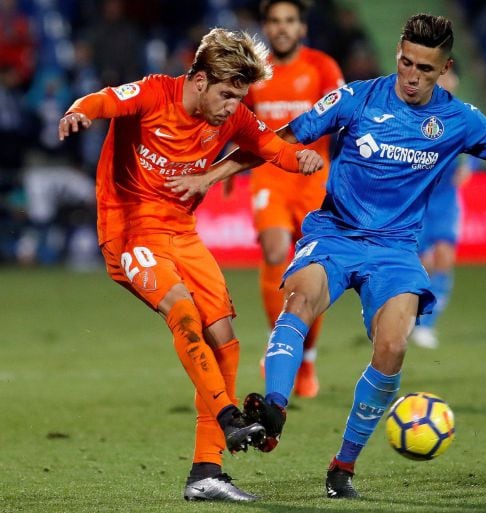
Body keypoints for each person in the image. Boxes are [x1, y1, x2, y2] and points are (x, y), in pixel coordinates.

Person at [167, 13, 486, 499]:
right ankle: (274, 409)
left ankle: (342, 467)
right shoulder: (357, 98)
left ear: (446, 68)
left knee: (392, 348)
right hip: (336, 234)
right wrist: (209, 177)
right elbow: (279, 140)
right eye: (406, 63)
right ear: (397, 54)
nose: (412, 76)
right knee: (299, 302)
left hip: (395, 251)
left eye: (425, 70)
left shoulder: (460, 121)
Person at [58, 27, 323, 502]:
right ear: (198, 80)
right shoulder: (155, 93)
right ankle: (227, 416)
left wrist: (298, 156)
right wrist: (79, 111)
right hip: (130, 233)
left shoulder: (233, 115)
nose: (231, 106)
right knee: (181, 311)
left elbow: (269, 146)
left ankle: (207, 472)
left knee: (224, 335)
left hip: (182, 234)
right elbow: (103, 100)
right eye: (225, 94)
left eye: (239, 96)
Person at [240, 0, 345, 398]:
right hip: (270, 172)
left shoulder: (322, 67)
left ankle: (308, 357)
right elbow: (240, 120)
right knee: (273, 250)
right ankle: (282, 345)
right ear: (266, 27)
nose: (281, 28)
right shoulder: (253, 71)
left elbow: (344, 118)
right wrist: (229, 166)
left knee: (312, 268)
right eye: (274, 21)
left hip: (314, 173)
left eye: (289, 21)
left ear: (302, 28)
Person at [408, 65, 472, 349]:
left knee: (445, 258)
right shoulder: (415, 111)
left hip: (446, 199)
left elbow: (475, 147)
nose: (446, 81)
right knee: (423, 264)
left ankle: (426, 325)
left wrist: (468, 166)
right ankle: (405, 315)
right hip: (417, 199)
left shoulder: (463, 114)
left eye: (450, 75)